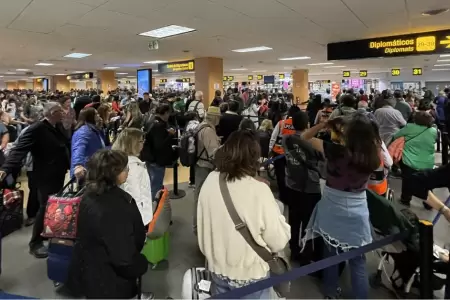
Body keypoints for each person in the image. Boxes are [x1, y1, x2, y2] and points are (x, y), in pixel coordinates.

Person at [197, 130, 290, 299]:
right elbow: (278, 241)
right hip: (250, 276)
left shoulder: (211, 180)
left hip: (217, 269)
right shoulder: (259, 191)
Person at [301, 113, 381, 299]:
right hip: (358, 208)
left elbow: (304, 137)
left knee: (330, 254)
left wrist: (323, 125)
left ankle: (330, 291)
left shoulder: (334, 151)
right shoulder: (372, 156)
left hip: (332, 205)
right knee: (358, 260)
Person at [67, 150, 149, 299]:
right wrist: (140, 264)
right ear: (113, 173)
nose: (128, 171)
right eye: (125, 168)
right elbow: (123, 257)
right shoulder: (117, 207)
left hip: (89, 270)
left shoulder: (88, 195)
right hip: (110, 280)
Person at [0, 102, 69, 258]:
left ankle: (45, 234)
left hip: (57, 173)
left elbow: (64, 144)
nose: (63, 112)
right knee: (45, 207)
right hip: (44, 175)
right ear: (51, 113)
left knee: (51, 207)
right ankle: (35, 243)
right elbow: (19, 150)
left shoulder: (56, 126)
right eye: (59, 111)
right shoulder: (37, 129)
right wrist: (5, 169)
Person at [282, 111, 324, 263]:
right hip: (309, 187)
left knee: (293, 220)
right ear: (307, 124)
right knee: (309, 223)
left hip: (292, 184)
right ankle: (306, 254)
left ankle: (293, 250)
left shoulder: (286, 139)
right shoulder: (313, 142)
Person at [392, 111, 437, 207]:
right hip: (427, 162)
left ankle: (405, 200)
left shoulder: (409, 127)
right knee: (427, 182)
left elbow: (395, 136)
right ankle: (429, 204)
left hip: (409, 161)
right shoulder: (433, 131)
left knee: (408, 180)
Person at [112, 128, 153, 226]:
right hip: (138, 220)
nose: (143, 143)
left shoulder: (122, 162)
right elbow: (134, 196)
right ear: (132, 143)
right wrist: (141, 222)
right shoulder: (132, 167)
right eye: (140, 141)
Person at [193, 106, 221, 235]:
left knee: (199, 195)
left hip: (199, 164)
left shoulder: (202, 126)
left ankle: (198, 226)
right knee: (201, 197)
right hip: (205, 166)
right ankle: (199, 227)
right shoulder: (208, 130)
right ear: (214, 117)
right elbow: (213, 153)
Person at [141, 104, 176, 201]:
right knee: (156, 186)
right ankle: (155, 209)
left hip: (149, 157)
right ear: (165, 113)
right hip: (157, 159)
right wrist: (170, 135)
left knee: (152, 183)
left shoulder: (150, 120)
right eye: (168, 113)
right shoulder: (159, 125)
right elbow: (159, 145)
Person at [269, 105, 301, 204]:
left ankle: (283, 196)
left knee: (280, 175)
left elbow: (273, 138)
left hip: (279, 152)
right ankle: (293, 195)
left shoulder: (281, 123)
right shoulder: (300, 125)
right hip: (294, 154)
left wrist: (270, 150)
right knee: (293, 175)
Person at [71, 108, 105, 180]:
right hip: (86, 170)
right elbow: (79, 147)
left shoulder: (93, 129)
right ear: (90, 116)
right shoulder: (84, 131)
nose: (99, 116)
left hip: (94, 167)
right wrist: (78, 165)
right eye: (96, 114)